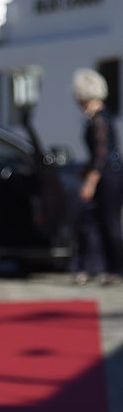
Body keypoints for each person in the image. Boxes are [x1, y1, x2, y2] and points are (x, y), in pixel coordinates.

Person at [70, 67, 123, 285]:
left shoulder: (98, 119)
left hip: (106, 176)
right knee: (96, 221)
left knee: (108, 222)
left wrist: (90, 181)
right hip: (109, 173)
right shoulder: (102, 116)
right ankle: (96, 266)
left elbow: (101, 154)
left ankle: (115, 269)